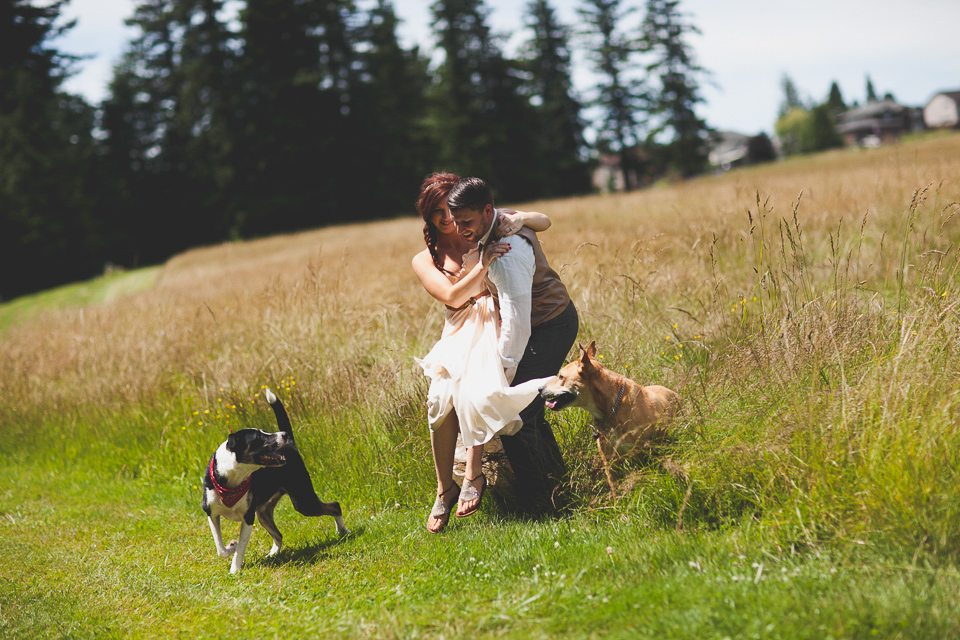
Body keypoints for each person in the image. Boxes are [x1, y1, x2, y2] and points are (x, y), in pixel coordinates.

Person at [412, 172, 555, 533]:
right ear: (427, 217)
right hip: (459, 326)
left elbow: (544, 220)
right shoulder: (424, 258)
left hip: (492, 318)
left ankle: (474, 474)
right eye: (437, 213)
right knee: (437, 400)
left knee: (471, 391)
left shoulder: (478, 222)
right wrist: (483, 263)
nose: (448, 219)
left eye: (450, 209)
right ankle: (445, 487)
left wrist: (519, 219)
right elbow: (451, 296)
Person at [447, 176, 579, 515]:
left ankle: (543, 503)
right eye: (456, 222)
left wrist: (503, 371)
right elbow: (542, 220)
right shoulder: (496, 221)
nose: (460, 230)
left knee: (515, 411)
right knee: (526, 412)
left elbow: (518, 323)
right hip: (538, 323)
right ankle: (557, 488)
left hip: (549, 324)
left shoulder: (506, 256)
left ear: (488, 210)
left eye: (467, 222)